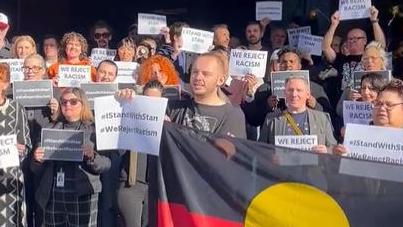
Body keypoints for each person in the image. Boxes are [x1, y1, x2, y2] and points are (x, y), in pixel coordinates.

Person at [31, 87, 111, 227]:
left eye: (73, 102)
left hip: (82, 194)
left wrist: (92, 156)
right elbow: (35, 169)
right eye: (64, 102)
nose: (68, 105)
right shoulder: (49, 129)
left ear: (83, 104)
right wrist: (37, 160)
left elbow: (106, 163)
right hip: (54, 195)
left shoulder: (94, 130)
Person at [21, 53, 59, 227]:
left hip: (43, 157)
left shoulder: (55, 93)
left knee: (42, 203)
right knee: (24, 203)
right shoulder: (13, 91)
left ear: (43, 71)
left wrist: (56, 112)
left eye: (35, 68)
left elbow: (67, 124)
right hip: (20, 156)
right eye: (26, 67)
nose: (30, 71)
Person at [322, 6, 386, 104]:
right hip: (344, 103)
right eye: (350, 39)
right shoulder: (341, 58)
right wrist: (334, 25)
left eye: (356, 38)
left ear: (365, 40)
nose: (352, 41)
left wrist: (374, 21)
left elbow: (381, 46)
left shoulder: (369, 59)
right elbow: (326, 47)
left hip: (367, 101)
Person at [259, 76, 337, 153]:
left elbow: (334, 148)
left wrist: (327, 150)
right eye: (290, 90)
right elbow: (260, 150)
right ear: (284, 93)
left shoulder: (322, 118)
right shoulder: (271, 120)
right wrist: (270, 157)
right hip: (281, 165)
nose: (294, 94)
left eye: (299, 90)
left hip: (314, 165)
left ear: (307, 94)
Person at [334, 79, 403, 155]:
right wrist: (338, 158)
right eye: (378, 103)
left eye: (389, 105)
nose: (382, 108)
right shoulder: (357, 139)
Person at [0, 63, 32, 226]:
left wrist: (21, 149)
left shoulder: (16, 108)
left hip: (10, 178)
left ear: (5, 84)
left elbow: (26, 143)